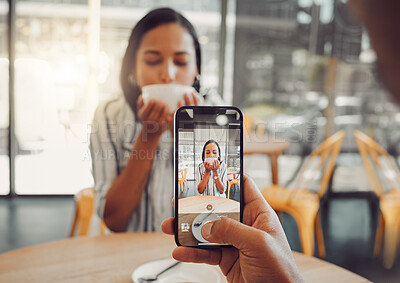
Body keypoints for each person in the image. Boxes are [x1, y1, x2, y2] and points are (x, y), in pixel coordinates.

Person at [91, 7, 222, 233]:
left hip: (196, 253)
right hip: (129, 251)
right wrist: (148, 136)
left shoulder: (217, 114)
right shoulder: (108, 115)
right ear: (134, 68)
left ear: (196, 69)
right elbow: (114, 220)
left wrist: (188, 138)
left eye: (181, 62)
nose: (168, 74)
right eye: (153, 61)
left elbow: (217, 215)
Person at [162, 175, 304, 282]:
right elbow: (199, 188)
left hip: (222, 205)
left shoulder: (222, 168)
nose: (211, 155)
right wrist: (206, 173)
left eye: (214, 152)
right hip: (202, 204)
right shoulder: (201, 168)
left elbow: (222, 189)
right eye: (207, 152)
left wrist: (216, 174)